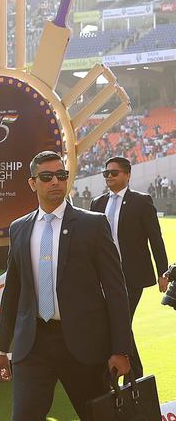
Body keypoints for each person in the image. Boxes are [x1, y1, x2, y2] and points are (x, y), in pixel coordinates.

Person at [0, 151, 132, 421]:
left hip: (83, 346)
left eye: (61, 175)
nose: (55, 181)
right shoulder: (19, 229)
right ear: (33, 183)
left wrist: (121, 349)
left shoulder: (93, 225)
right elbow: (12, 292)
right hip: (32, 346)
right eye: (46, 177)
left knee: (98, 416)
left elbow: (116, 291)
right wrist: (1, 349)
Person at [90, 156, 169, 379]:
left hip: (132, 276)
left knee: (120, 321)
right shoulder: (97, 203)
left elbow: (156, 238)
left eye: (113, 173)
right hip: (105, 276)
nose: (109, 177)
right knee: (118, 322)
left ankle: (130, 376)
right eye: (106, 173)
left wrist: (163, 272)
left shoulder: (141, 201)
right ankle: (133, 374)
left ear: (127, 175)